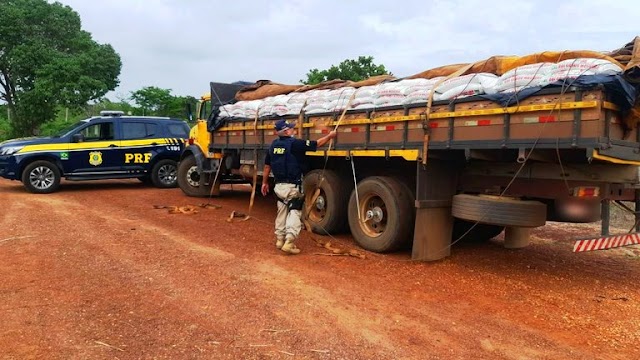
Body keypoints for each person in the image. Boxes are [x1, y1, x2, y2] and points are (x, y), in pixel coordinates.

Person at [261, 119, 337, 254]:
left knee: (282, 211)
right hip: (292, 185)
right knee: (294, 212)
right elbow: (317, 144)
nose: (293, 130)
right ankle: (289, 242)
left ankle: (279, 239)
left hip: (279, 186)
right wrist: (330, 136)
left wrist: (264, 182)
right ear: (286, 131)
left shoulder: (273, 145)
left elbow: (267, 166)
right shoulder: (295, 144)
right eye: (291, 128)